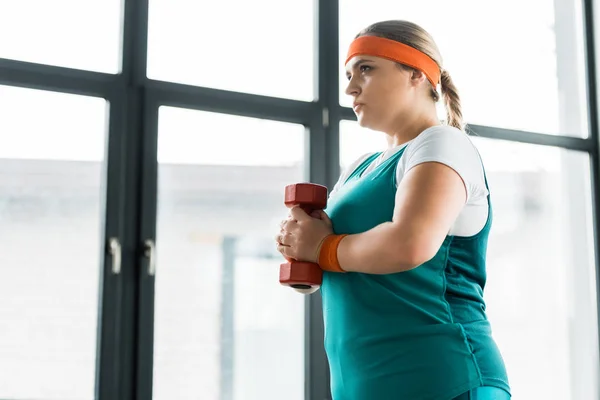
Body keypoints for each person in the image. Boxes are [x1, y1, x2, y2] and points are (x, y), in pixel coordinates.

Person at [275, 19, 511, 400]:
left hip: (442, 378)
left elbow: (408, 244)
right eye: (349, 74)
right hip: (365, 385)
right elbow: (344, 266)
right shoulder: (359, 168)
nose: (350, 87)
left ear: (417, 73)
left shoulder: (442, 144)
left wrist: (323, 248)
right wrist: (299, 244)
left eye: (366, 69)